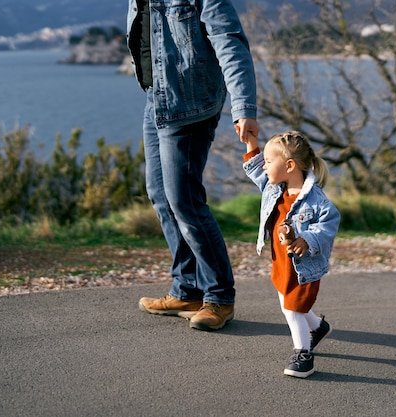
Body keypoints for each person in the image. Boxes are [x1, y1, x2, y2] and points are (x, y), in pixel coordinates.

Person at [127, 0, 259, 331]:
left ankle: (219, 297)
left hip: (191, 102)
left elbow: (229, 40)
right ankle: (187, 290)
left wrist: (243, 107)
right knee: (160, 193)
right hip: (157, 97)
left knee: (185, 199)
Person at [242, 130, 340, 378]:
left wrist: (307, 239)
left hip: (303, 267)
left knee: (291, 309)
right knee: (289, 301)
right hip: (281, 261)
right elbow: (255, 172)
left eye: (268, 161)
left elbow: (329, 222)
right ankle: (318, 327)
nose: (264, 167)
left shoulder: (315, 200)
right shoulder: (276, 187)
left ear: (289, 165)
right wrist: (251, 143)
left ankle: (303, 354)